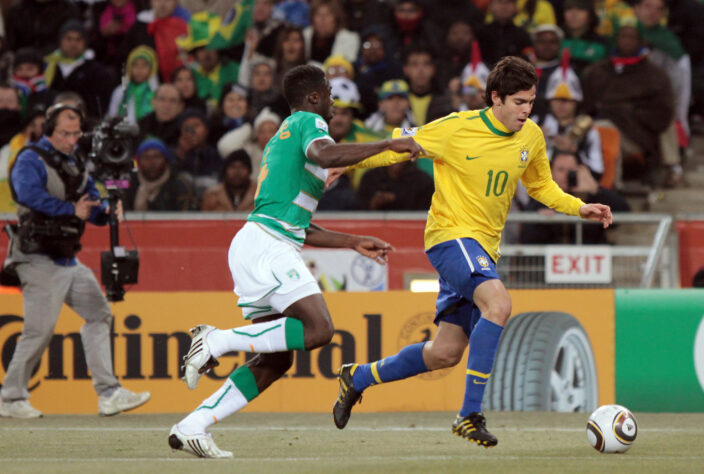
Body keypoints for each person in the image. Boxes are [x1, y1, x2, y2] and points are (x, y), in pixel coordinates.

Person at [331, 56, 613, 447]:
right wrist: (345, 163)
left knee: (446, 352)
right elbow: (399, 146)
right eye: (519, 102)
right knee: (497, 305)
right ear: (495, 98)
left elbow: (541, 186)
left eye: (531, 102)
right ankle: (469, 415)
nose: (527, 110)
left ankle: (358, 377)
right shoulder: (455, 127)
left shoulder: (530, 136)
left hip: (483, 248)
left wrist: (579, 206)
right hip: (450, 237)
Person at [167, 64, 423, 458]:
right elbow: (325, 152)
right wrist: (387, 145)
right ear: (315, 97)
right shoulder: (307, 122)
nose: (335, 102)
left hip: (262, 241)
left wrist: (352, 241)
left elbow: (300, 224)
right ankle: (215, 339)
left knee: (274, 362)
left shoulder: (284, 138)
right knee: (318, 330)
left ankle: (192, 425)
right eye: (331, 93)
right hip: (267, 245)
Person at [0, 104, 151, 418]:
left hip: (68, 260)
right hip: (37, 257)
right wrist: (72, 210)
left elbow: (88, 203)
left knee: (99, 314)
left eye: (76, 133)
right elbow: (26, 194)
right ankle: (11, 398)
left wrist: (103, 213)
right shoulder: (30, 158)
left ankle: (108, 393)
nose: (71, 139)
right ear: (49, 130)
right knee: (38, 331)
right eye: (65, 133)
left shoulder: (76, 162)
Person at [520, 151, 629, 244]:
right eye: (561, 170)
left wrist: (595, 189)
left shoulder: (593, 196)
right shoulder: (541, 198)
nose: (566, 175)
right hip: (553, 263)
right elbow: (526, 238)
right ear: (551, 172)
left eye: (571, 170)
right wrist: (540, 221)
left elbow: (624, 213)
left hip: (589, 261)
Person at [122, 138, 196, 211]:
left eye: (157, 157)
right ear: (138, 161)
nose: (152, 162)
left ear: (166, 159)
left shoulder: (179, 184)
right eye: (146, 157)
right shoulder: (128, 183)